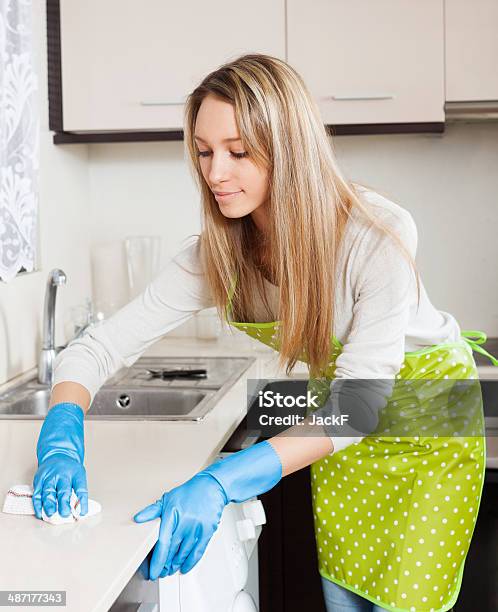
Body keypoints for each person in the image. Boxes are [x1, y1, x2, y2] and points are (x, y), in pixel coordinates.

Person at [32, 54, 498, 611]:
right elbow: (98, 348)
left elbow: (361, 403)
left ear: (289, 148)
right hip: (340, 426)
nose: (214, 173)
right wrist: (62, 435)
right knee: (348, 598)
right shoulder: (219, 255)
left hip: (427, 424)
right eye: (204, 152)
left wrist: (223, 481)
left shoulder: (375, 233)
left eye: (238, 152)